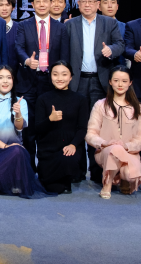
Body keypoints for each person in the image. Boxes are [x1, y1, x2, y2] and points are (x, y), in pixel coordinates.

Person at [65, 0, 124, 182]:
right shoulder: (70, 25)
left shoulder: (109, 23)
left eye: (91, 1)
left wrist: (111, 50)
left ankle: (98, 171)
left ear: (98, 5)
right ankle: (78, 170)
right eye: (84, 1)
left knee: (99, 126)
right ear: (78, 4)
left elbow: (120, 44)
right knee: (77, 124)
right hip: (77, 80)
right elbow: (64, 53)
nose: (87, 5)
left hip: (101, 81)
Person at [15, 0, 70, 165]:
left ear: (51, 3)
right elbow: (18, 48)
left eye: (45, 1)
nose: (41, 4)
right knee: (29, 127)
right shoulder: (23, 25)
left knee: (50, 125)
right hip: (28, 81)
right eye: (37, 2)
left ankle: (49, 166)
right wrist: (26, 60)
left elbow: (64, 56)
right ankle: (29, 167)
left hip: (51, 82)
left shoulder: (61, 27)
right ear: (32, 4)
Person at [0, 65, 46, 198]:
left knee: (17, 151)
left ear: (13, 80)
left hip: (14, 150)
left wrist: (18, 113)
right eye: (1, 77)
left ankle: (13, 182)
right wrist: (5, 147)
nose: (5, 81)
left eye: (9, 77)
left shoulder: (21, 102)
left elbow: (20, 128)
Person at [85, 68, 141, 198]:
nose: (120, 84)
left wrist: (127, 146)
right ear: (110, 82)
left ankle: (122, 177)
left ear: (130, 83)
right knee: (115, 149)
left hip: (130, 152)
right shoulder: (100, 105)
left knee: (131, 174)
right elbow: (90, 134)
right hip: (106, 152)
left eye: (124, 81)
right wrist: (105, 143)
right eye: (116, 80)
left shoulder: (140, 109)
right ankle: (107, 183)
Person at [35, 62, 89, 194]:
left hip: (69, 147)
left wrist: (73, 145)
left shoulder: (80, 99)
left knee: (67, 162)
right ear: (50, 76)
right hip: (48, 149)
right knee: (51, 187)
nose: (59, 78)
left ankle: (65, 177)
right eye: (55, 74)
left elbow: (82, 128)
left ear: (71, 77)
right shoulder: (42, 99)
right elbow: (37, 129)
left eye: (64, 74)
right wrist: (50, 119)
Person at [0, 0, 19, 74]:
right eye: (1, 5)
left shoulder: (20, 29)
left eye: (7, 5)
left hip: (16, 74)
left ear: (13, 7)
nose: (4, 8)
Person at [98, 0, 125, 66]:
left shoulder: (125, 27)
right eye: (105, 3)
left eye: (113, 2)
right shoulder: (93, 26)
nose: (110, 6)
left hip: (119, 67)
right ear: (99, 7)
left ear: (117, 6)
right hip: (99, 67)